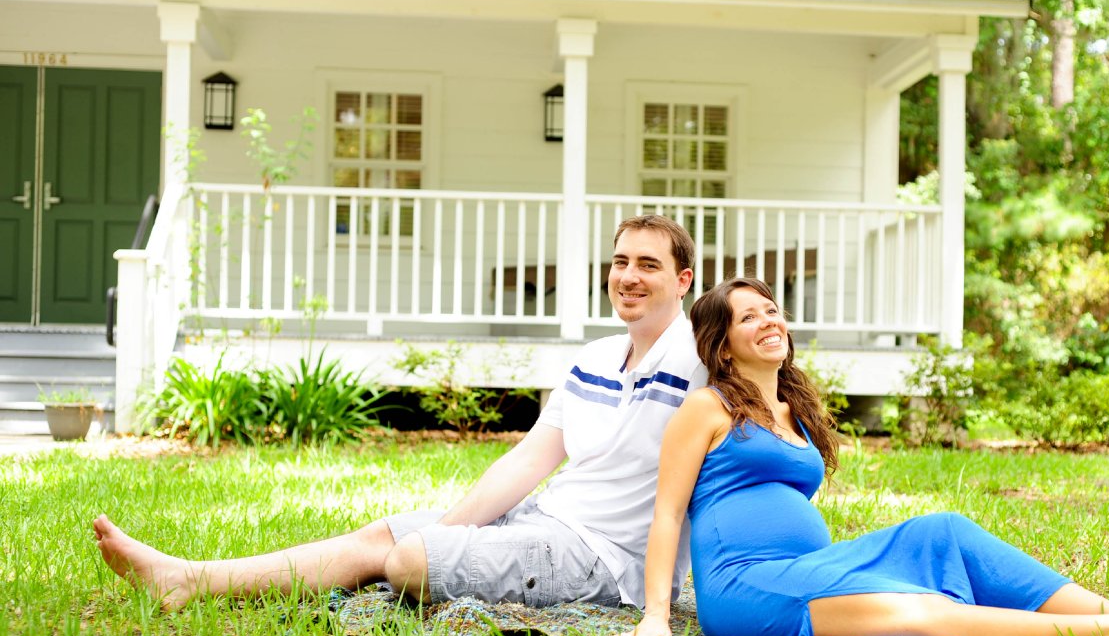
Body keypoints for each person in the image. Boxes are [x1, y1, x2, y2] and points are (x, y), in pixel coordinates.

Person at [93, 215, 707, 612]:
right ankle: (189, 578)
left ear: (683, 282)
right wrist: (450, 528)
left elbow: (753, 353)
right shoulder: (596, 356)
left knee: (411, 561)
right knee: (385, 538)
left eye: (647, 265)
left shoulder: (701, 358)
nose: (628, 276)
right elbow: (526, 461)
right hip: (542, 519)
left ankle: (198, 580)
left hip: (604, 560)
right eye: (620, 262)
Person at [616, 277, 1109, 636]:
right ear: (722, 345)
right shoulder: (708, 407)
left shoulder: (793, 411)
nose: (769, 321)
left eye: (771, 310)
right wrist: (656, 616)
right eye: (748, 317)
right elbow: (667, 513)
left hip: (812, 567)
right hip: (747, 587)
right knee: (918, 611)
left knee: (944, 532)